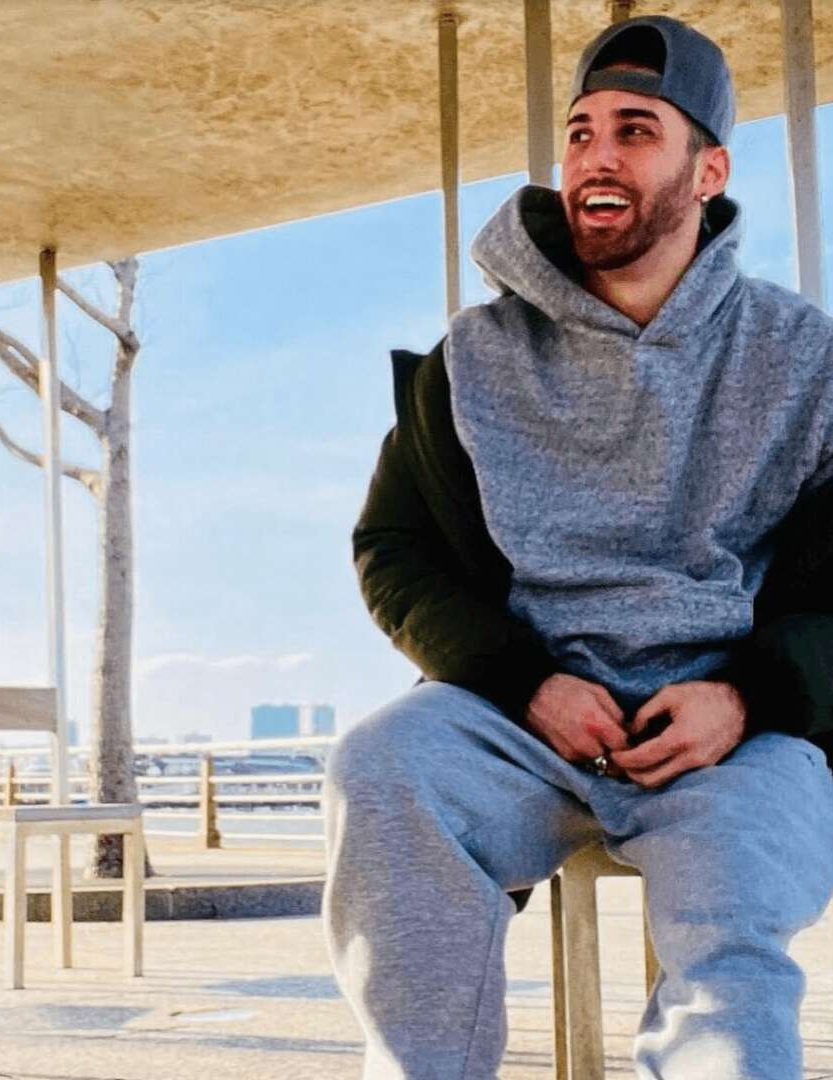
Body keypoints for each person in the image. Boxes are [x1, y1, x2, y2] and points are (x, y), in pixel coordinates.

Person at [323, 14, 833, 1080]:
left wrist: (747, 696)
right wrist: (522, 682)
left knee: (732, 959)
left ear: (707, 172)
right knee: (381, 764)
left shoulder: (803, 358)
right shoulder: (473, 357)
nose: (596, 156)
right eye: (579, 132)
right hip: (518, 720)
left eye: (635, 131)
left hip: (734, 729)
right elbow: (392, 545)